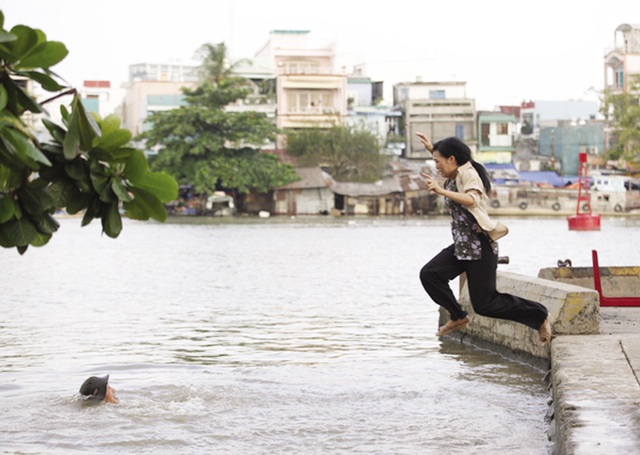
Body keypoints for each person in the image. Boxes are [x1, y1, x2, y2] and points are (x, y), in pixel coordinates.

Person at [416, 133, 552, 343]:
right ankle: (458, 316)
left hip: (480, 246)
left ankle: (540, 315)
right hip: (463, 246)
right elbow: (446, 164)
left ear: (452, 159)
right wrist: (431, 148)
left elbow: (471, 199)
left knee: (486, 304)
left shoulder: (469, 174)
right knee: (430, 275)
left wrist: (442, 191)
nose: (436, 167)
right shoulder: (456, 173)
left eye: (437, 161)